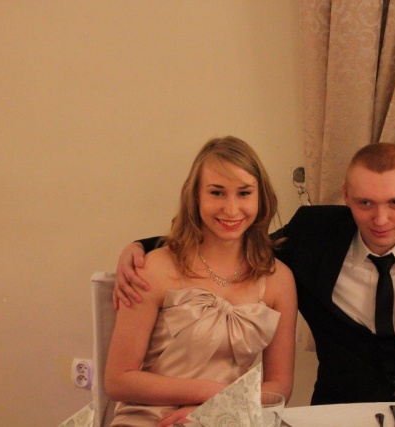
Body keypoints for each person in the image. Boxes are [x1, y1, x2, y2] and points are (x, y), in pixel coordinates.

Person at [115, 142, 395, 406]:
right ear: (346, 195)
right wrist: (141, 246)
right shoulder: (314, 234)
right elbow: (235, 239)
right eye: (365, 203)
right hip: (338, 411)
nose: (380, 218)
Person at [105, 136, 297, 427]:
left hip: (228, 418)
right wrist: (213, 395)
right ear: (195, 196)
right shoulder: (155, 268)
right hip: (150, 420)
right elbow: (118, 380)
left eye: (244, 193)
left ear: (261, 198)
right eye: (217, 193)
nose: (231, 209)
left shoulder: (279, 280)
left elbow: (280, 385)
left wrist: (217, 408)